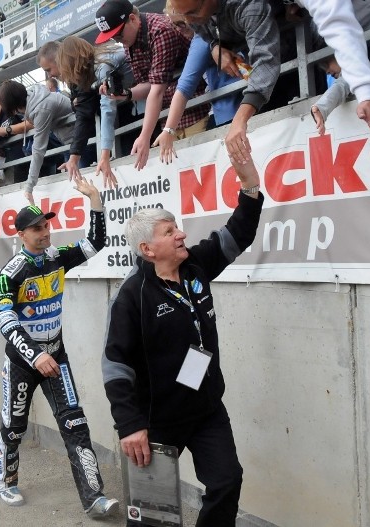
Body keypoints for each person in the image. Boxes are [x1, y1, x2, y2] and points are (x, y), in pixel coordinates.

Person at [102, 157, 264, 526]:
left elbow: (237, 233)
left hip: (206, 409)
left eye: (177, 227)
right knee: (151, 516)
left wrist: (250, 188)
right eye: (169, 231)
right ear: (147, 248)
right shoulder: (131, 296)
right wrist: (129, 425)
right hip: (155, 421)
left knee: (226, 483)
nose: (181, 235)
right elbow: (115, 364)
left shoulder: (195, 265)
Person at [0, 179, 118, 518]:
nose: (45, 232)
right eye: (36, 229)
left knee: (75, 423)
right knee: (14, 425)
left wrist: (95, 201)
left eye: (46, 225)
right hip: (22, 361)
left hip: (56, 357)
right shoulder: (9, 274)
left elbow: (95, 243)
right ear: (21, 234)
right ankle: (4, 480)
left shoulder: (56, 257)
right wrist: (35, 354)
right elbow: (6, 322)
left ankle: (94, 498)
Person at [94, 0, 210, 170]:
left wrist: (144, 136)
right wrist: (126, 94)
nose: (117, 40)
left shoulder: (160, 30)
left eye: (118, 34)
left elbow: (156, 90)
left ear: (132, 19)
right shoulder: (129, 42)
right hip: (167, 121)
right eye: (112, 37)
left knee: (203, 169)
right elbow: (149, 84)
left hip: (195, 110)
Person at [165, 0, 281, 166]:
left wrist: (239, 119)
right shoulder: (195, 16)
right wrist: (214, 46)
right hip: (252, 89)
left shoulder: (249, 6)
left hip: (286, 71)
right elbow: (207, 35)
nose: (188, 21)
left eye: (192, 13)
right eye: (182, 15)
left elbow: (266, 62)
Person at [292, 0, 370, 152]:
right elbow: (344, 82)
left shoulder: (356, 65)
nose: (327, 72)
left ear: (334, 49)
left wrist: (364, 95)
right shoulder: (357, 69)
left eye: (325, 64)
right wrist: (321, 108)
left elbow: (336, 24)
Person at [41, 37, 128, 187]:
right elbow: (84, 112)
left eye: (49, 69)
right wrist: (74, 157)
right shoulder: (85, 73)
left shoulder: (101, 66)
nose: (50, 75)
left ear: (67, 60)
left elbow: (107, 109)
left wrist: (105, 155)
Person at [0, 80, 75, 205]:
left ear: (13, 109)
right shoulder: (33, 97)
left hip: (77, 142)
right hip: (70, 141)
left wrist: (29, 187)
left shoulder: (41, 108)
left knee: (80, 185)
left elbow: (38, 150)